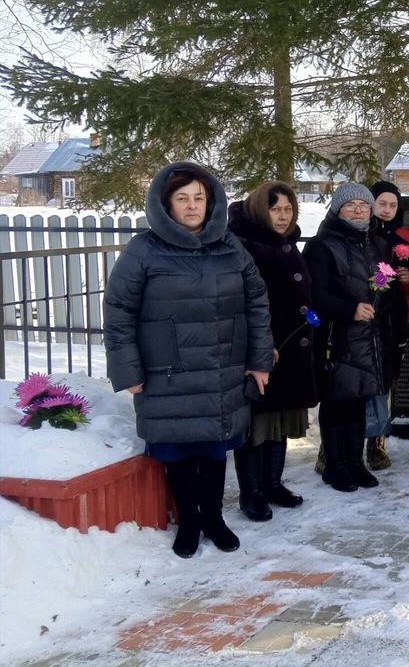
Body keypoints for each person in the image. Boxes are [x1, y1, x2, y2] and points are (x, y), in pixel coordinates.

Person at [105, 162, 273, 558]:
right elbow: (118, 312)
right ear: (166, 205)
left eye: (199, 197)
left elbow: (257, 304)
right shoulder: (143, 250)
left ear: (211, 202)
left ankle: (213, 518)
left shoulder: (231, 247)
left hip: (221, 368)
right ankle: (190, 522)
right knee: (179, 451)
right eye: (182, 198)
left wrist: (259, 360)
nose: (192, 206)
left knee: (214, 450)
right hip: (167, 371)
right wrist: (128, 370)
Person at [227, 180, 319, 521]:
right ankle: (250, 493)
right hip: (264, 350)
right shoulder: (243, 245)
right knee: (256, 423)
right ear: (259, 210)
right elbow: (240, 302)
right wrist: (260, 344)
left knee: (280, 420)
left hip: (291, 350)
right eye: (275, 209)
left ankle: (272, 484)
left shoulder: (285, 244)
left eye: (288, 210)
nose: (282, 216)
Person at [303, 182, 392, 493]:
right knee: (337, 400)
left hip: (370, 337)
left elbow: (383, 284)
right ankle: (335, 465)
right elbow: (314, 294)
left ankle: (355, 462)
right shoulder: (322, 245)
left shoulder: (377, 244)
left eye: (363, 205)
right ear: (337, 208)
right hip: (336, 336)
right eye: (350, 204)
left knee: (358, 400)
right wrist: (350, 309)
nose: (358, 210)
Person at [366, 180, 409, 471]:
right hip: (361, 318)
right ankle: (334, 445)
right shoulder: (360, 231)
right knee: (352, 383)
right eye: (381, 203)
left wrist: (406, 279)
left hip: (396, 319)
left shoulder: (406, 237)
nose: (386, 210)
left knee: (387, 382)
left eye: (392, 205)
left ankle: (376, 444)